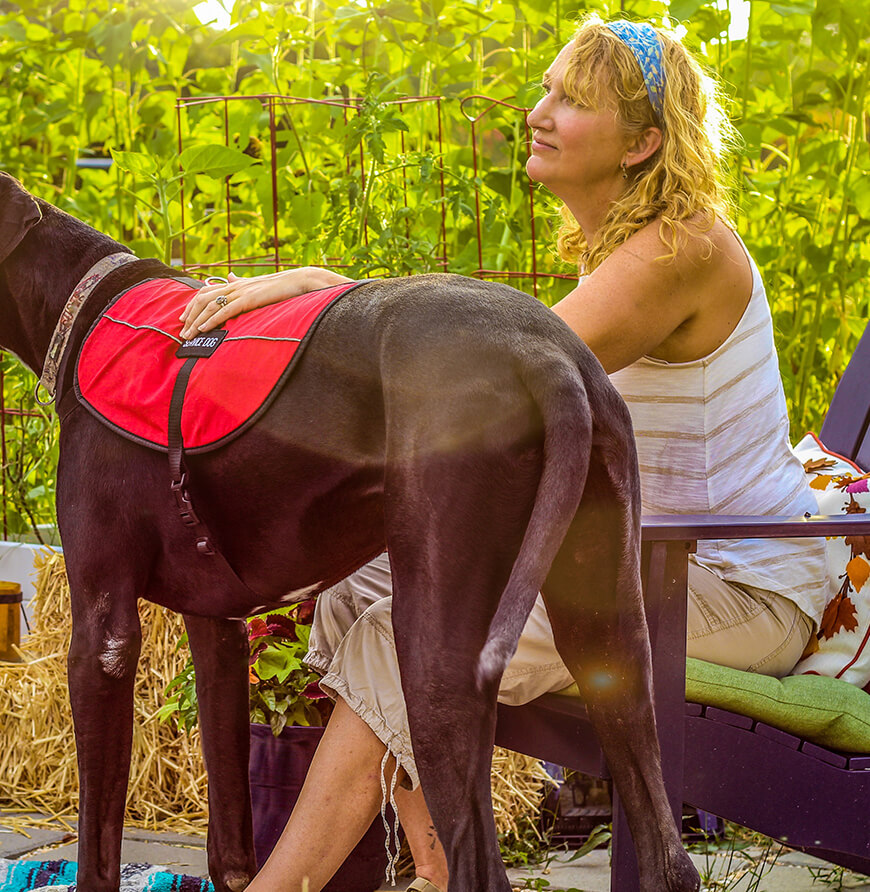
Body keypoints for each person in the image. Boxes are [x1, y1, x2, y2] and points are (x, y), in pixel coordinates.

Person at [179, 15, 827, 892]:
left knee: (400, 632)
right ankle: (453, 874)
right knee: (354, 587)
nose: (539, 111)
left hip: (736, 591)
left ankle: (277, 888)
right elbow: (484, 358)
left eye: (572, 100)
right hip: (656, 568)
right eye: (547, 89)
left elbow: (485, 373)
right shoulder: (634, 247)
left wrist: (313, 289)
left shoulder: (683, 249)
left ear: (641, 144)